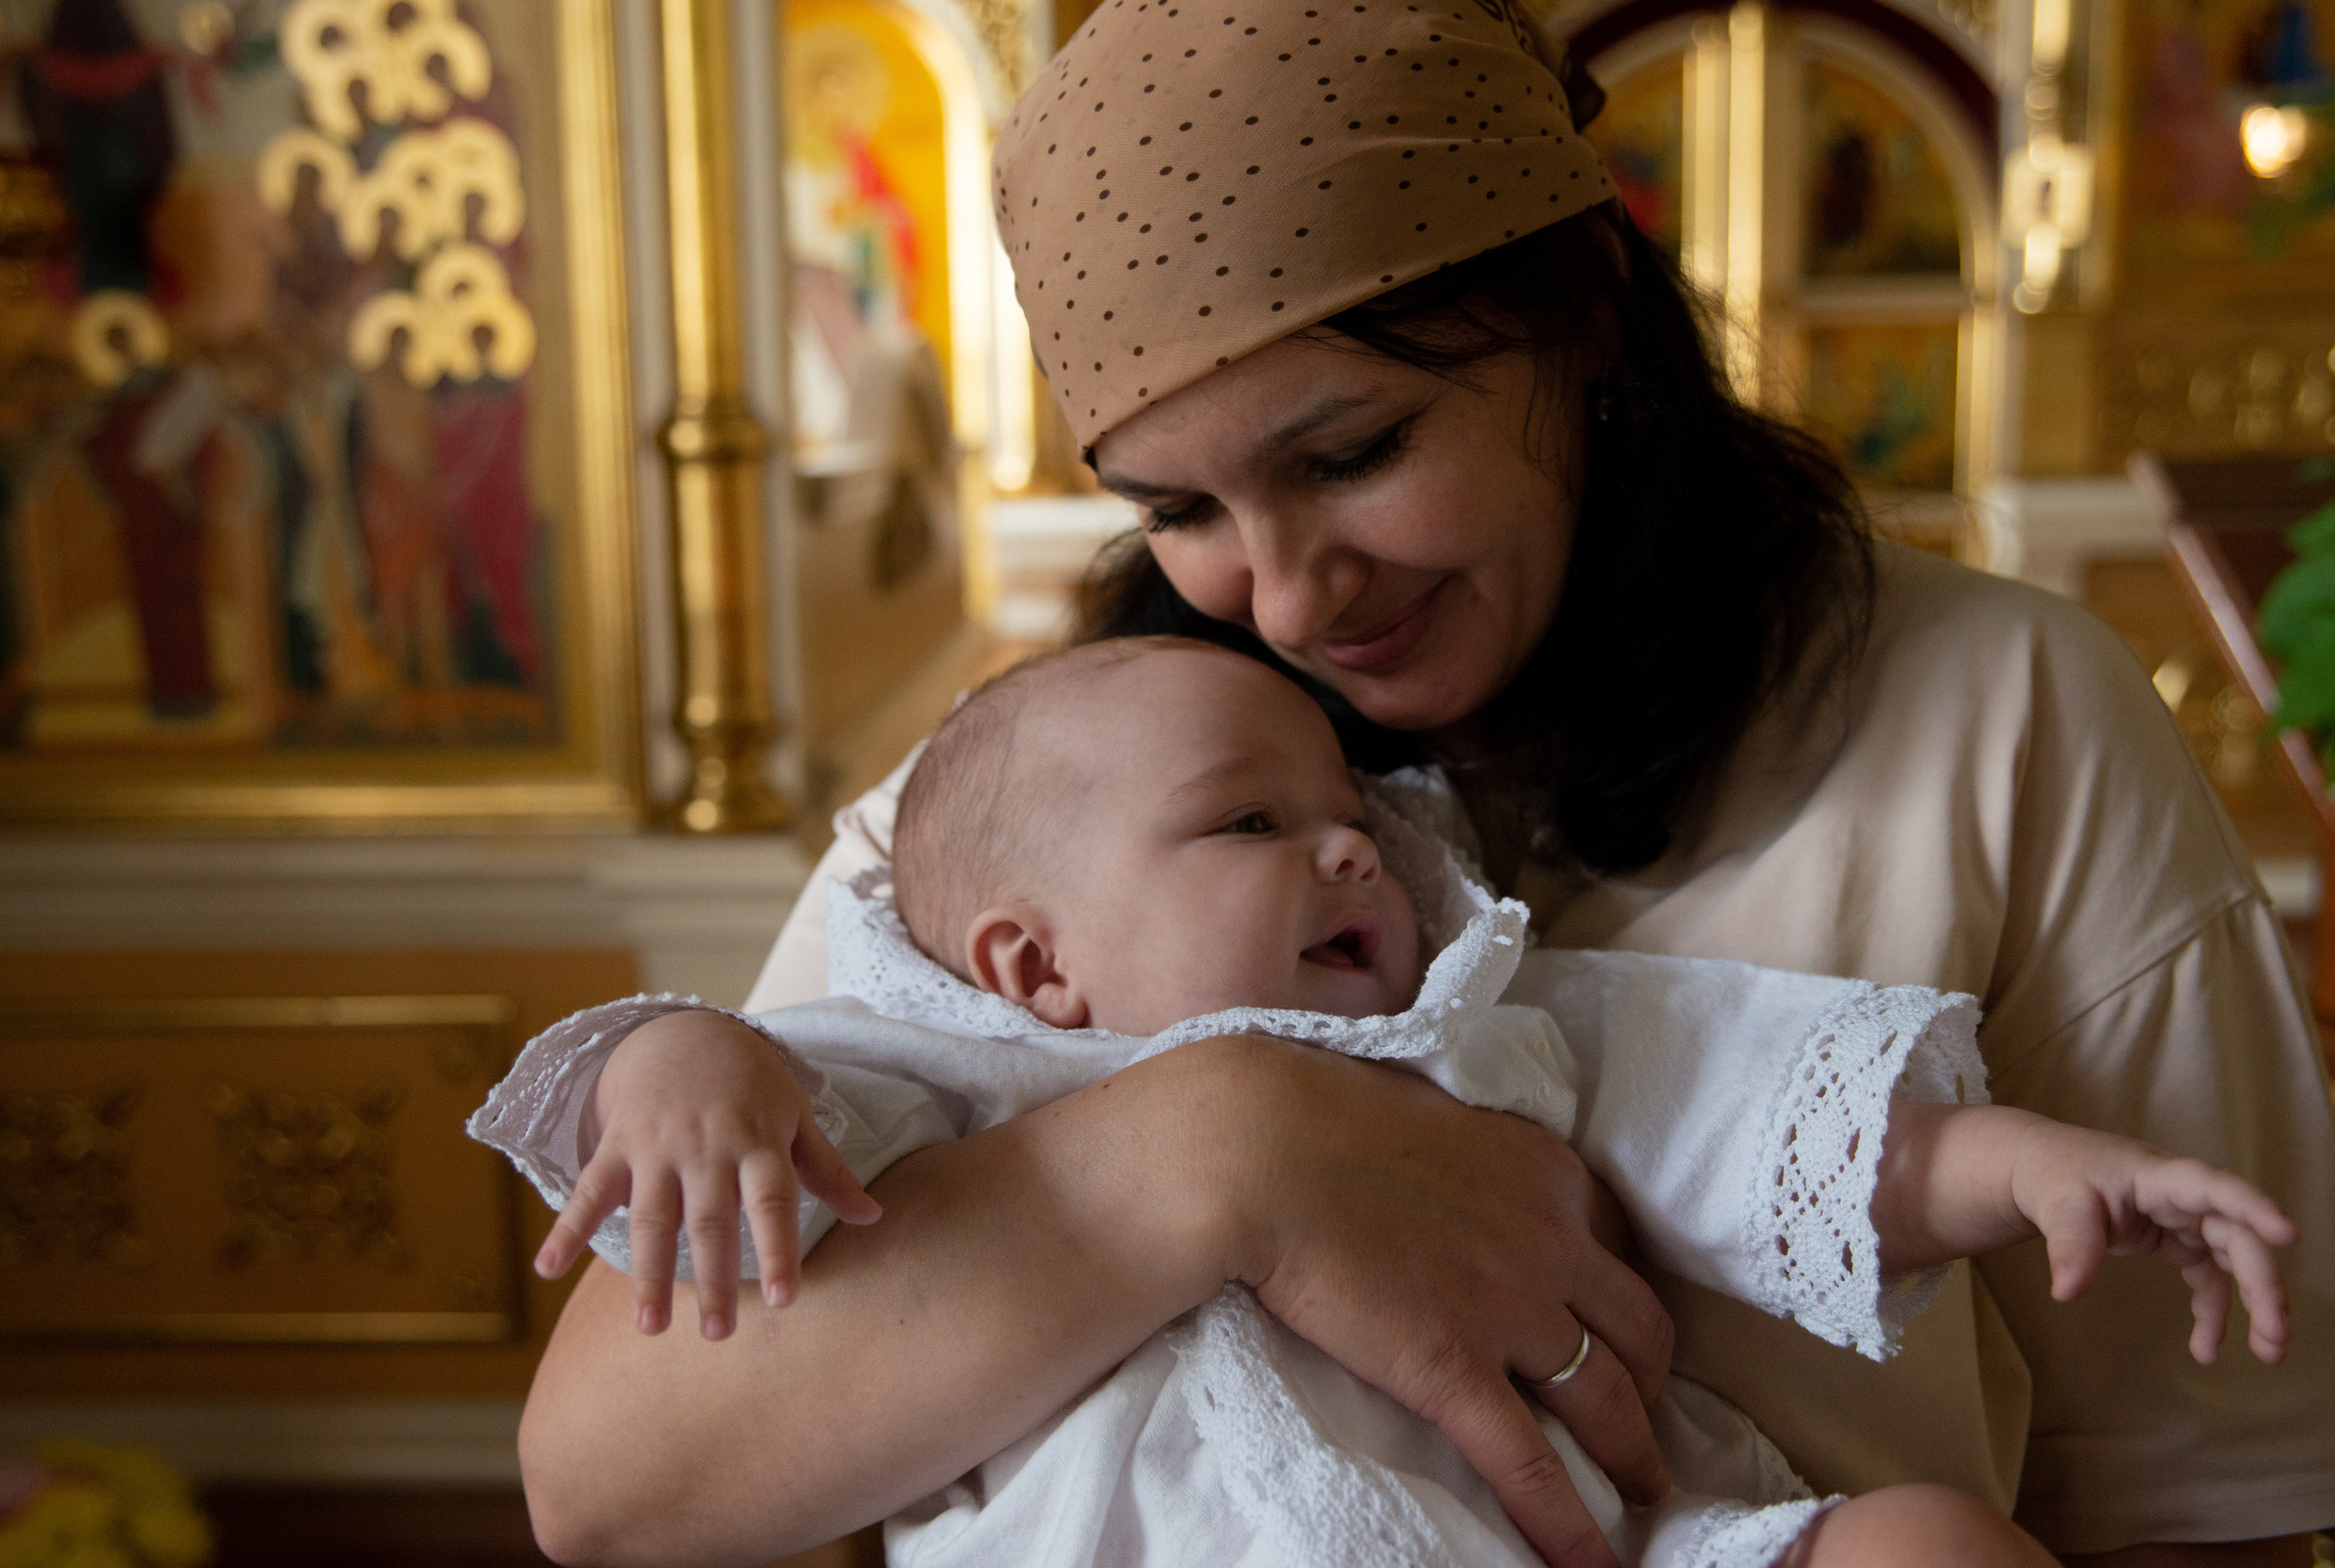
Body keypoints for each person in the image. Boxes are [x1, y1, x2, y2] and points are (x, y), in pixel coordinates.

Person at [514, 3, 2335, 1564]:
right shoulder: (1010, 826)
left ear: (1583, 317)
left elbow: (2204, 1506)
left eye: (1355, 452)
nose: (1286, 599)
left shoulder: (1999, 718)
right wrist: (1225, 1152)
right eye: (1177, 511)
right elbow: (614, 1488)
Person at [484, 636, 2294, 1568]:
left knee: (1918, 1549)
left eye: (1338, 800)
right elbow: (724, 1198)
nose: (1346, 837)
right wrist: (685, 1064)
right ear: (1038, 968)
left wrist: (2032, 1166)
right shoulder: (951, 1059)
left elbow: (1753, 1104)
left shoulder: (1477, 1018)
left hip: (1617, 1541)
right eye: (1250, 826)